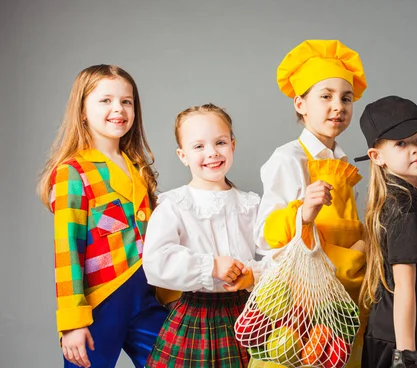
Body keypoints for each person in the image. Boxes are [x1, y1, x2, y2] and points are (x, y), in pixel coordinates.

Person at [37, 64, 178, 368]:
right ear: (83, 110)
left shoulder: (138, 168)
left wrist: (171, 295)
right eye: (106, 100)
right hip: (100, 302)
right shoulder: (72, 173)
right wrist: (73, 321)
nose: (119, 109)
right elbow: (67, 251)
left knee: (174, 361)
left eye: (126, 101)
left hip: (147, 295)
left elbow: (155, 238)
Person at [253, 39, 368, 367]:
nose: (338, 106)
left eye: (346, 98)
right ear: (300, 104)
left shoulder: (343, 162)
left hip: (341, 296)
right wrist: (302, 212)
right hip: (298, 302)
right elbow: (264, 235)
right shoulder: (288, 159)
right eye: (326, 96)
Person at [144, 104, 264, 368]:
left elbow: (277, 255)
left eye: (220, 142)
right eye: (198, 146)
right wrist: (211, 266)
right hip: (195, 317)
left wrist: (253, 273)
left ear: (233, 145)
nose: (212, 153)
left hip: (247, 313)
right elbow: (155, 263)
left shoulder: (251, 205)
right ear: (182, 155)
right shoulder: (174, 204)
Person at [356, 96, 417, 368]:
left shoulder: (413, 201)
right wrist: (407, 357)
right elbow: (404, 287)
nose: (416, 149)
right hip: (405, 344)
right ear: (377, 157)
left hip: (412, 336)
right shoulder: (405, 209)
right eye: (401, 143)